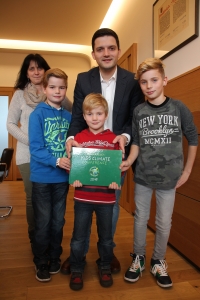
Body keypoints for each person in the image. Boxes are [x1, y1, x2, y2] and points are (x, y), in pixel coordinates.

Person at [61, 27, 144, 275]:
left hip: (114, 153)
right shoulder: (83, 79)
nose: (106, 53)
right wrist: (71, 139)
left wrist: (125, 137)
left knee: (112, 204)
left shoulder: (132, 81)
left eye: (111, 48)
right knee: (83, 203)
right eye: (100, 49)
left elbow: (134, 117)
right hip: (86, 153)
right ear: (93, 54)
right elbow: (77, 117)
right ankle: (79, 254)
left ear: (118, 50)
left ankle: (106, 255)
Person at [120, 58, 198, 288]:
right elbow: (135, 143)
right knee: (140, 219)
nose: (149, 86)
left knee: (163, 222)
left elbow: (193, 138)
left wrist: (187, 171)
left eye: (154, 80)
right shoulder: (138, 111)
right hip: (143, 176)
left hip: (169, 179)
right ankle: (138, 257)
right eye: (144, 82)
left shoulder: (178, 108)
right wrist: (129, 161)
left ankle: (158, 260)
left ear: (164, 80)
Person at [6, 54, 72, 247]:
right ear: (26, 73)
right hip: (28, 153)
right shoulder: (19, 95)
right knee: (31, 197)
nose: (36, 72)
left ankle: (49, 241)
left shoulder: (55, 91)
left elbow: (71, 117)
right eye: (31, 68)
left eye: (39, 68)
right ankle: (35, 238)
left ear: (45, 72)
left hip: (56, 156)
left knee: (53, 206)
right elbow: (10, 124)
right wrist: (32, 141)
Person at [69, 93, 121, 290]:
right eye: (90, 114)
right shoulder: (79, 138)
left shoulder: (113, 139)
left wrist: (115, 181)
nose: (95, 118)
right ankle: (76, 267)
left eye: (99, 113)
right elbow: (73, 165)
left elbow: (116, 168)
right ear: (84, 116)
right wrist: (73, 175)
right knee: (79, 236)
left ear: (106, 114)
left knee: (106, 237)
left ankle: (105, 265)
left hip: (106, 199)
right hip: (82, 197)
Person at [29, 68, 71, 282]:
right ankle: (41, 260)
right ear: (44, 89)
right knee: (44, 221)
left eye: (62, 87)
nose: (57, 91)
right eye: (52, 87)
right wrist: (56, 160)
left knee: (58, 221)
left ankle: (55, 256)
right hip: (42, 179)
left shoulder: (69, 116)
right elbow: (35, 148)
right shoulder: (37, 114)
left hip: (62, 179)